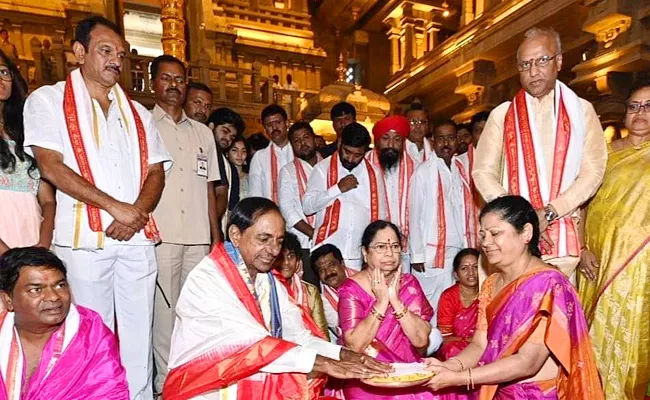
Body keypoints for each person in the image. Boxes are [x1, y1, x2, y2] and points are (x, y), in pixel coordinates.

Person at [22, 16, 172, 399]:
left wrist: (135, 212)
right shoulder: (47, 100)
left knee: (139, 334)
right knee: (91, 332)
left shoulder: (138, 112)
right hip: (83, 240)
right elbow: (50, 165)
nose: (115, 61)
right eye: (106, 51)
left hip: (136, 239)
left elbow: (156, 171)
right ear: (79, 52)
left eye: (120, 55)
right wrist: (115, 208)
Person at [164, 197, 391, 399]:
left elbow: (297, 335)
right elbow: (250, 347)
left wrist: (345, 355)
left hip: (252, 373)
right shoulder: (208, 279)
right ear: (235, 234)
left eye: (279, 241)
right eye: (264, 239)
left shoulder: (269, 280)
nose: (274, 250)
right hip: (205, 386)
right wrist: (324, 363)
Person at [425, 195, 604, 399]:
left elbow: (528, 362)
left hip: (539, 394)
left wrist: (460, 378)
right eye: (483, 235)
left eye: (495, 233)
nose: (486, 243)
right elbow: (480, 344)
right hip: (499, 389)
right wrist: (449, 366)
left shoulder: (550, 285)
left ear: (526, 233)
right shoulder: (491, 283)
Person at [472, 27, 607, 281]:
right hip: (508, 243)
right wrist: (521, 216)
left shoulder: (581, 111)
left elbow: (593, 171)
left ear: (558, 61)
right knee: (509, 316)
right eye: (525, 65)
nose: (533, 72)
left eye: (542, 60)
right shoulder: (503, 114)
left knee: (554, 316)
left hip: (562, 240)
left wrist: (551, 211)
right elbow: (482, 171)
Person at [150, 54, 221, 392]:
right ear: (154, 83)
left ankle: (193, 380)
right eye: (166, 78)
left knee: (194, 311)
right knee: (163, 314)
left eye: (179, 79)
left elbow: (209, 187)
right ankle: (165, 385)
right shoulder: (143, 125)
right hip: (160, 235)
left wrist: (214, 235)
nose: (174, 85)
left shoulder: (203, 134)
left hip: (196, 236)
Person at [578, 83, 650, 400]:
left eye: (648, 106)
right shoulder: (602, 154)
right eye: (634, 105)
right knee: (590, 337)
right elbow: (580, 204)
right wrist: (580, 249)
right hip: (597, 261)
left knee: (634, 335)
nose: (640, 113)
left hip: (641, 268)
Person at [0, 247, 129, 399]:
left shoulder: (90, 335)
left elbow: (110, 393)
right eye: (36, 289)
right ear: (8, 300)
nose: (54, 297)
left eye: (60, 285)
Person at [339, 220, 434, 399]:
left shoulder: (410, 284)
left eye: (395, 246)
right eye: (381, 247)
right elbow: (355, 345)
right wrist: (381, 302)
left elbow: (421, 341)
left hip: (408, 371)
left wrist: (395, 300)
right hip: (367, 372)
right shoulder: (351, 289)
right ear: (365, 253)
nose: (390, 253)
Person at [303, 122, 387, 270]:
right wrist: (337, 189)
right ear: (340, 143)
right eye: (347, 152)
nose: (350, 159)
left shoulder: (374, 173)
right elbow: (308, 206)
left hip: (359, 255)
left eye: (357, 155)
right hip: (328, 252)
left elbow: (380, 216)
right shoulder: (322, 169)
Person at [0, 50, 55, 259]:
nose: (1, 78)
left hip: (34, 237)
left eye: (4, 71)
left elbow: (48, 200)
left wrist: (43, 243)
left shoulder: (28, 129)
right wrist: (8, 256)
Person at [409, 121, 465, 311]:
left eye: (450, 138)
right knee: (430, 307)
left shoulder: (460, 169)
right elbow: (414, 214)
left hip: (457, 251)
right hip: (431, 255)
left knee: (453, 306)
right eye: (441, 138)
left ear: (457, 140)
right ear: (433, 142)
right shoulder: (423, 172)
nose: (446, 143)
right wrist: (417, 254)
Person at [366, 115, 417, 273]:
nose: (391, 144)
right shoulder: (364, 165)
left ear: (403, 143)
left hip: (403, 246)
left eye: (397, 139)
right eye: (385, 138)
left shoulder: (416, 167)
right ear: (377, 140)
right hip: (372, 244)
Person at [279, 121, 322, 285]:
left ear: (315, 139)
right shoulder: (287, 171)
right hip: (304, 243)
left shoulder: (329, 166)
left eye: (306, 137)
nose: (303, 143)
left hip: (331, 240)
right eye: (297, 141)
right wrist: (314, 233)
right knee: (309, 291)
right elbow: (287, 211)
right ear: (292, 146)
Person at [273, 232, 328, 339]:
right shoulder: (267, 289)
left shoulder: (310, 291)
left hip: (311, 348)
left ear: (298, 261)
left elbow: (322, 333)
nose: (286, 263)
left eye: (291, 256)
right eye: (281, 257)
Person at [208, 107, 246, 237]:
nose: (227, 138)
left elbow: (230, 208)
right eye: (224, 131)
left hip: (216, 232)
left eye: (232, 136)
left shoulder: (230, 169)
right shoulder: (199, 152)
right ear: (211, 126)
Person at [436, 248, 479, 361]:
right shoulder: (449, 297)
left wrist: (478, 342)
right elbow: (445, 337)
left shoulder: (489, 292)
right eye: (464, 268)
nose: (471, 272)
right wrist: (470, 340)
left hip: (482, 344)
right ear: (456, 275)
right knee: (452, 351)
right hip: (456, 346)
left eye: (476, 267)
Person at [312, 244, 357, 343]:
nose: (328, 273)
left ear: (342, 263)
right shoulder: (322, 303)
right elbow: (347, 332)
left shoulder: (365, 280)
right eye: (321, 270)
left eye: (331, 265)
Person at [249, 104, 294, 202]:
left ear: (287, 123)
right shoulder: (259, 157)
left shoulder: (298, 152)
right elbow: (255, 192)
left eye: (278, 122)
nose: (274, 128)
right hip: (271, 212)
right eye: (269, 125)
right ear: (265, 130)